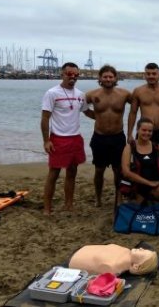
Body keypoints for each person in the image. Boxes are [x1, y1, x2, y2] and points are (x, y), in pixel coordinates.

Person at [40, 62, 94, 215]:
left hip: (75, 139)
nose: (73, 77)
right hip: (58, 139)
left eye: (76, 75)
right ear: (62, 74)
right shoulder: (52, 93)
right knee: (53, 174)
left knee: (72, 173)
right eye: (69, 74)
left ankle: (69, 204)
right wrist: (46, 140)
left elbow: (87, 112)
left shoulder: (80, 95)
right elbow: (45, 118)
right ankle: (47, 207)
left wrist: (104, 117)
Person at [85, 65, 131, 207]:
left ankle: (119, 198)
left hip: (118, 137)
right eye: (105, 76)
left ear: (115, 78)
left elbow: (139, 105)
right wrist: (97, 117)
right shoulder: (92, 94)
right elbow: (81, 107)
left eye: (111, 76)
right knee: (99, 170)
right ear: (100, 78)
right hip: (99, 137)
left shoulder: (124, 94)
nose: (108, 79)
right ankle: (98, 198)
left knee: (119, 170)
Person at [127, 63, 159, 161]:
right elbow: (132, 113)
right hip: (144, 132)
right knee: (141, 161)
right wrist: (129, 134)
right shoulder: (138, 91)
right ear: (145, 75)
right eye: (148, 74)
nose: (151, 76)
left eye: (154, 74)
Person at [121, 117, 159, 204]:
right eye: (144, 130)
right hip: (138, 186)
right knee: (138, 209)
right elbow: (126, 172)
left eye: (150, 131)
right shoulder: (129, 147)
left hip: (156, 184)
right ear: (137, 130)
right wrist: (149, 183)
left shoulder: (157, 146)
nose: (147, 133)